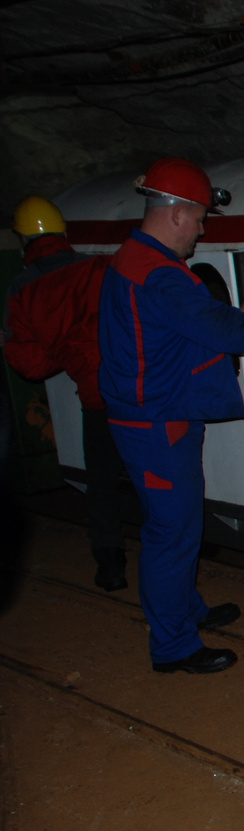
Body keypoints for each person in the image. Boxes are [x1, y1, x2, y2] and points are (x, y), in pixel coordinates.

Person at [99, 157, 244, 675]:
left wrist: (238, 314)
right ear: (176, 213)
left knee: (179, 524)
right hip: (158, 423)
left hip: (155, 418)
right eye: (199, 219)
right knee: (170, 532)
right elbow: (223, 335)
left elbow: (184, 334)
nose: (201, 231)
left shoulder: (135, 261)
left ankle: (185, 609)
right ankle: (174, 644)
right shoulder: (160, 275)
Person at [4, 197, 126, 590]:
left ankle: (111, 567)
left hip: (96, 399)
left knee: (102, 483)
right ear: (63, 233)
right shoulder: (98, 266)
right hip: (139, 389)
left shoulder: (22, 290)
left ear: (23, 241)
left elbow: (31, 365)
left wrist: (64, 350)